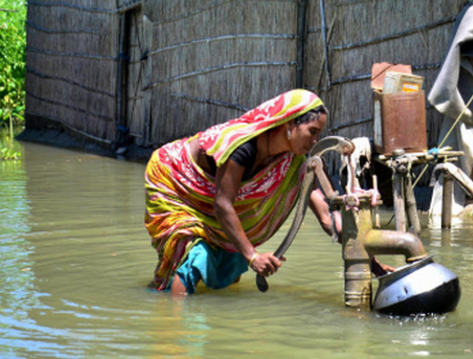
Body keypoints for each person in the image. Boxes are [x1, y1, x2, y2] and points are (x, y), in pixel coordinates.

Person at [144, 89, 337, 295]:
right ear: (289, 124)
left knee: (233, 245)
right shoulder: (243, 146)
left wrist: (355, 234)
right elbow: (223, 205)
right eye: (313, 131)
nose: (315, 140)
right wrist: (253, 257)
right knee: (193, 252)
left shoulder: (292, 161)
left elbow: (327, 217)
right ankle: (172, 316)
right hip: (174, 180)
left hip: (213, 195)